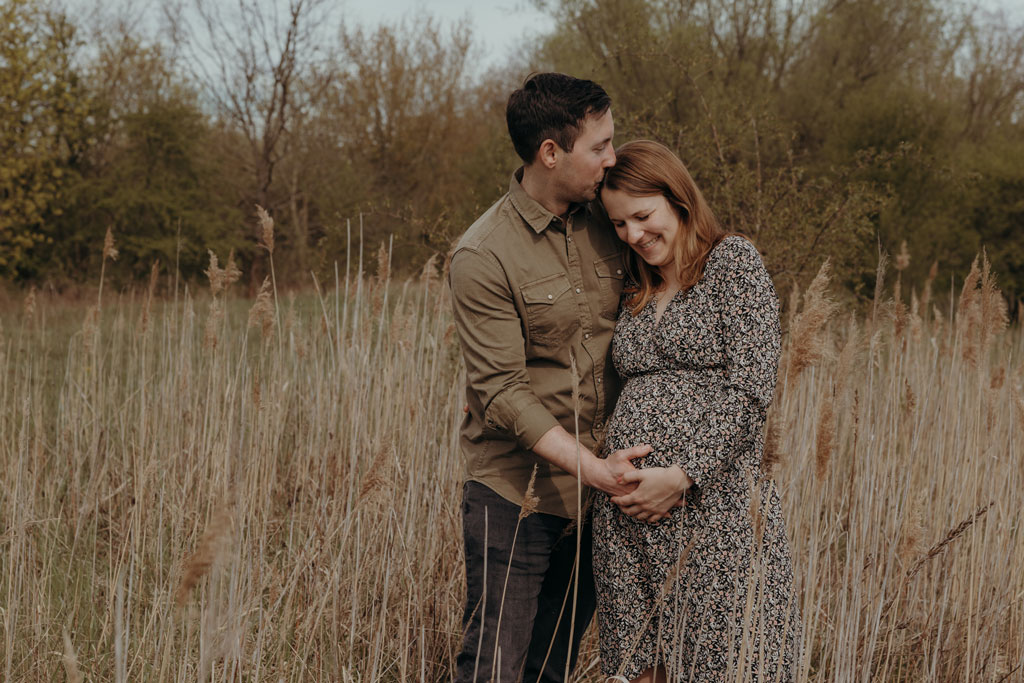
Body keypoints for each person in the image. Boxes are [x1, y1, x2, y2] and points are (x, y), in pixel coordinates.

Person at [448, 74, 660, 682]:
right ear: (550, 153)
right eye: (599, 147)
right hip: (516, 497)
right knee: (494, 666)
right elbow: (503, 395)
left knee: (551, 669)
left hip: (601, 501)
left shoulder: (612, 224)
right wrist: (592, 468)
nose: (612, 158)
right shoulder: (483, 255)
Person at [592, 140, 801, 682]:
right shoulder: (634, 284)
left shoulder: (732, 261)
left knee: (722, 663)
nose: (634, 235)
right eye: (619, 224)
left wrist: (682, 475)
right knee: (639, 666)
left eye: (642, 215)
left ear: (678, 199)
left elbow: (752, 383)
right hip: (628, 516)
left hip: (715, 509)